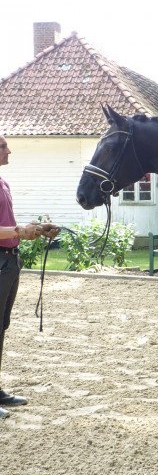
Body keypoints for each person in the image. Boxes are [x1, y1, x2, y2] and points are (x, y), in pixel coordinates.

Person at [0, 134, 60, 419]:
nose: (9, 150)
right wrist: (18, 231)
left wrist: (34, 228)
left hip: (10, 261)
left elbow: (8, 225)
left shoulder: (3, 184)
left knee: (2, 325)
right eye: (3, 146)